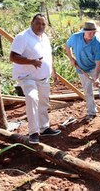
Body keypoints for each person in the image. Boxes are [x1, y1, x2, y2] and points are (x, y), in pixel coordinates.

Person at [10, 13, 61, 144]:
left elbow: (48, 56)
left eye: (43, 24)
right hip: (27, 77)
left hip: (43, 77)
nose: (40, 26)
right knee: (32, 98)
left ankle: (44, 128)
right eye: (38, 23)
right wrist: (31, 61)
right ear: (31, 23)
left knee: (44, 102)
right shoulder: (22, 37)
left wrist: (53, 72)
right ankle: (33, 132)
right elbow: (13, 57)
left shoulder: (45, 38)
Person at [65, 20, 100, 121]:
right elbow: (67, 45)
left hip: (95, 67)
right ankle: (91, 112)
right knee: (87, 90)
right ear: (84, 31)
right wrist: (71, 58)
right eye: (90, 32)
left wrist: (96, 78)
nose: (92, 34)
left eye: (94, 32)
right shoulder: (75, 38)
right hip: (81, 68)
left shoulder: (98, 44)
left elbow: (98, 64)